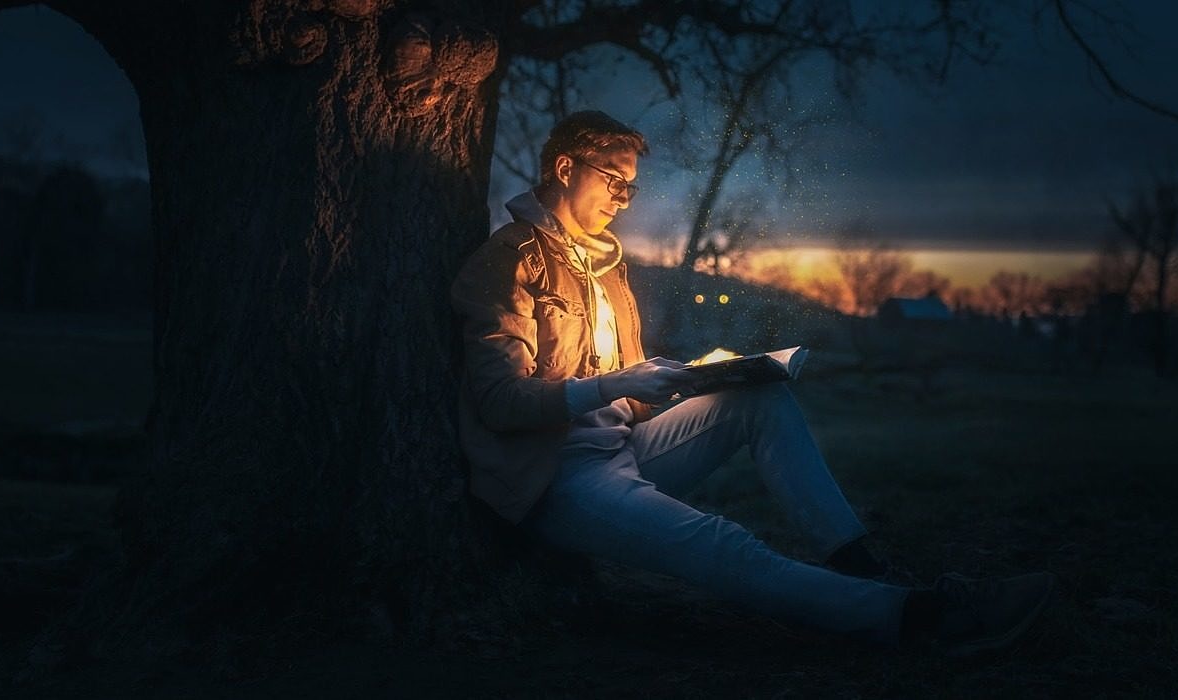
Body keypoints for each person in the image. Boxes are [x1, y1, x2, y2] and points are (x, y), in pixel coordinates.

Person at [451, 110, 1054, 655]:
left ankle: (861, 567)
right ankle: (919, 619)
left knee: (761, 395)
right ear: (565, 167)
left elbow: (623, 395)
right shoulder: (511, 261)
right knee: (721, 543)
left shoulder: (609, 268)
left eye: (631, 186)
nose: (625, 199)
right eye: (615, 180)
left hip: (623, 450)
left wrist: (683, 379)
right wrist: (615, 386)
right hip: (555, 477)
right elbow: (501, 403)